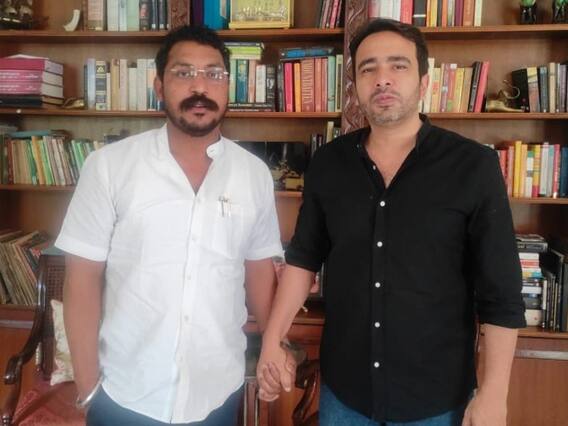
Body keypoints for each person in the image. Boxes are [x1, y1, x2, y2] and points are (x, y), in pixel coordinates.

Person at [256, 18, 526, 426]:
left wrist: (494, 394)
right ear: (355, 87)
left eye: (398, 65)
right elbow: (303, 259)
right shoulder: (329, 163)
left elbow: (501, 293)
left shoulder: (474, 166)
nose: (383, 79)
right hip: (345, 395)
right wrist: (272, 339)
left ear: (424, 80)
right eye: (369, 69)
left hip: (436, 399)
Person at [56, 25, 287, 425]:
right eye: (183, 73)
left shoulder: (254, 175)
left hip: (216, 392)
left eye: (214, 74)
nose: (200, 87)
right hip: (125, 392)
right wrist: (88, 387)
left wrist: (273, 348)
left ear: (227, 86)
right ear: (159, 87)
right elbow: (82, 280)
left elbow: (258, 272)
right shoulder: (110, 167)